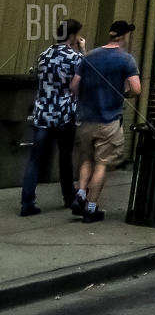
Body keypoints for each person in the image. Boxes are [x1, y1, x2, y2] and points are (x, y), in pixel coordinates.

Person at [71, 20, 141, 224]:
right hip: (108, 121)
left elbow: (74, 85)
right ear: (124, 36)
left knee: (85, 159)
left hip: (85, 120)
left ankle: (81, 193)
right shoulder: (125, 60)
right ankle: (91, 209)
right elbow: (136, 89)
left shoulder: (90, 56)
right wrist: (122, 94)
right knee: (101, 165)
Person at [19, 18, 84, 217]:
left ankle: (27, 202)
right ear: (73, 36)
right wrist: (83, 50)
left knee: (35, 159)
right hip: (64, 114)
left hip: (42, 113)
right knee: (65, 158)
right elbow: (78, 83)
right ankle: (68, 196)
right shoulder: (75, 57)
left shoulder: (43, 55)